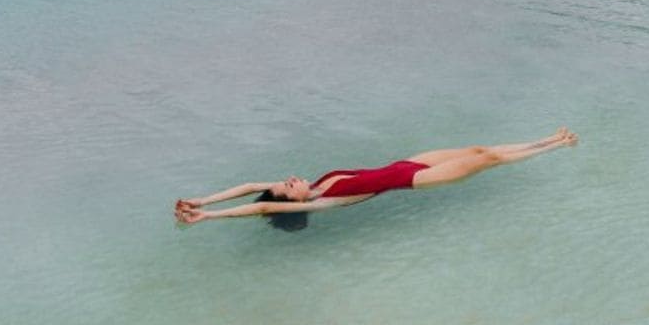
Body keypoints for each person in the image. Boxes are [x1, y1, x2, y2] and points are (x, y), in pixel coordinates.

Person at [174, 127, 578, 230]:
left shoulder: (318, 183)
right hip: (416, 180)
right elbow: (260, 203)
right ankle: (557, 146)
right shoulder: (323, 201)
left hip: (407, 162)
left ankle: (550, 137)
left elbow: (249, 187)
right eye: (288, 187)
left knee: (475, 148)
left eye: (285, 180)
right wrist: (209, 219)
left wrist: (201, 199)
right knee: (488, 158)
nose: (290, 179)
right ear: (294, 203)